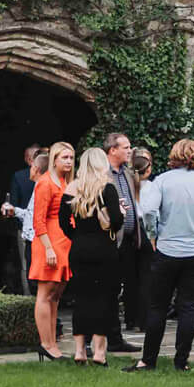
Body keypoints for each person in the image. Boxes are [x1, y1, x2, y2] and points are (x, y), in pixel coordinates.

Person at [127, 139, 194, 373]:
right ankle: (181, 362)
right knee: (189, 308)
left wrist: (153, 235)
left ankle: (148, 360)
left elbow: (150, 211)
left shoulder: (163, 181)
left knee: (157, 306)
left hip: (167, 249)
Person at [60, 146, 125, 365]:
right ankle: (98, 352)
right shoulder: (107, 188)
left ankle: (79, 350)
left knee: (82, 300)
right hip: (104, 248)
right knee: (104, 300)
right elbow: (116, 221)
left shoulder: (71, 188)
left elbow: (62, 222)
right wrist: (120, 217)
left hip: (79, 249)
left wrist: (77, 235)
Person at [31, 142, 75, 360]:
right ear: (54, 159)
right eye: (64, 157)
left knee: (56, 296)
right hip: (49, 244)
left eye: (71, 157)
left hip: (64, 243)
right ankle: (45, 343)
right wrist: (48, 248)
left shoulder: (65, 182)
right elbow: (38, 220)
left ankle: (52, 343)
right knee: (45, 294)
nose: (68, 161)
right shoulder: (45, 183)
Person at [102, 133, 142, 353]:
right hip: (108, 239)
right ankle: (97, 338)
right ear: (112, 150)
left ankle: (115, 339)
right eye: (126, 147)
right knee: (106, 290)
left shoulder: (126, 173)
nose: (130, 151)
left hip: (127, 240)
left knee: (120, 288)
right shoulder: (101, 174)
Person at [9, 144, 41, 294]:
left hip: (26, 227)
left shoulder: (19, 176)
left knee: (26, 265)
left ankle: (28, 300)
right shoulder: (23, 176)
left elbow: (14, 202)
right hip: (33, 228)